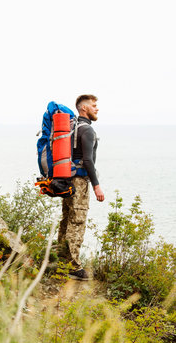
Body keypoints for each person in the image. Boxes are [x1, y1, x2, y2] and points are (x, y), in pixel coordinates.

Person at [57, 94, 105, 280]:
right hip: (79, 182)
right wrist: (96, 186)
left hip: (66, 179)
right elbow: (87, 160)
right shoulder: (88, 131)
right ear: (83, 108)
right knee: (77, 222)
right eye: (94, 105)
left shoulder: (71, 128)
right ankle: (73, 267)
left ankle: (61, 260)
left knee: (67, 220)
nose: (97, 108)